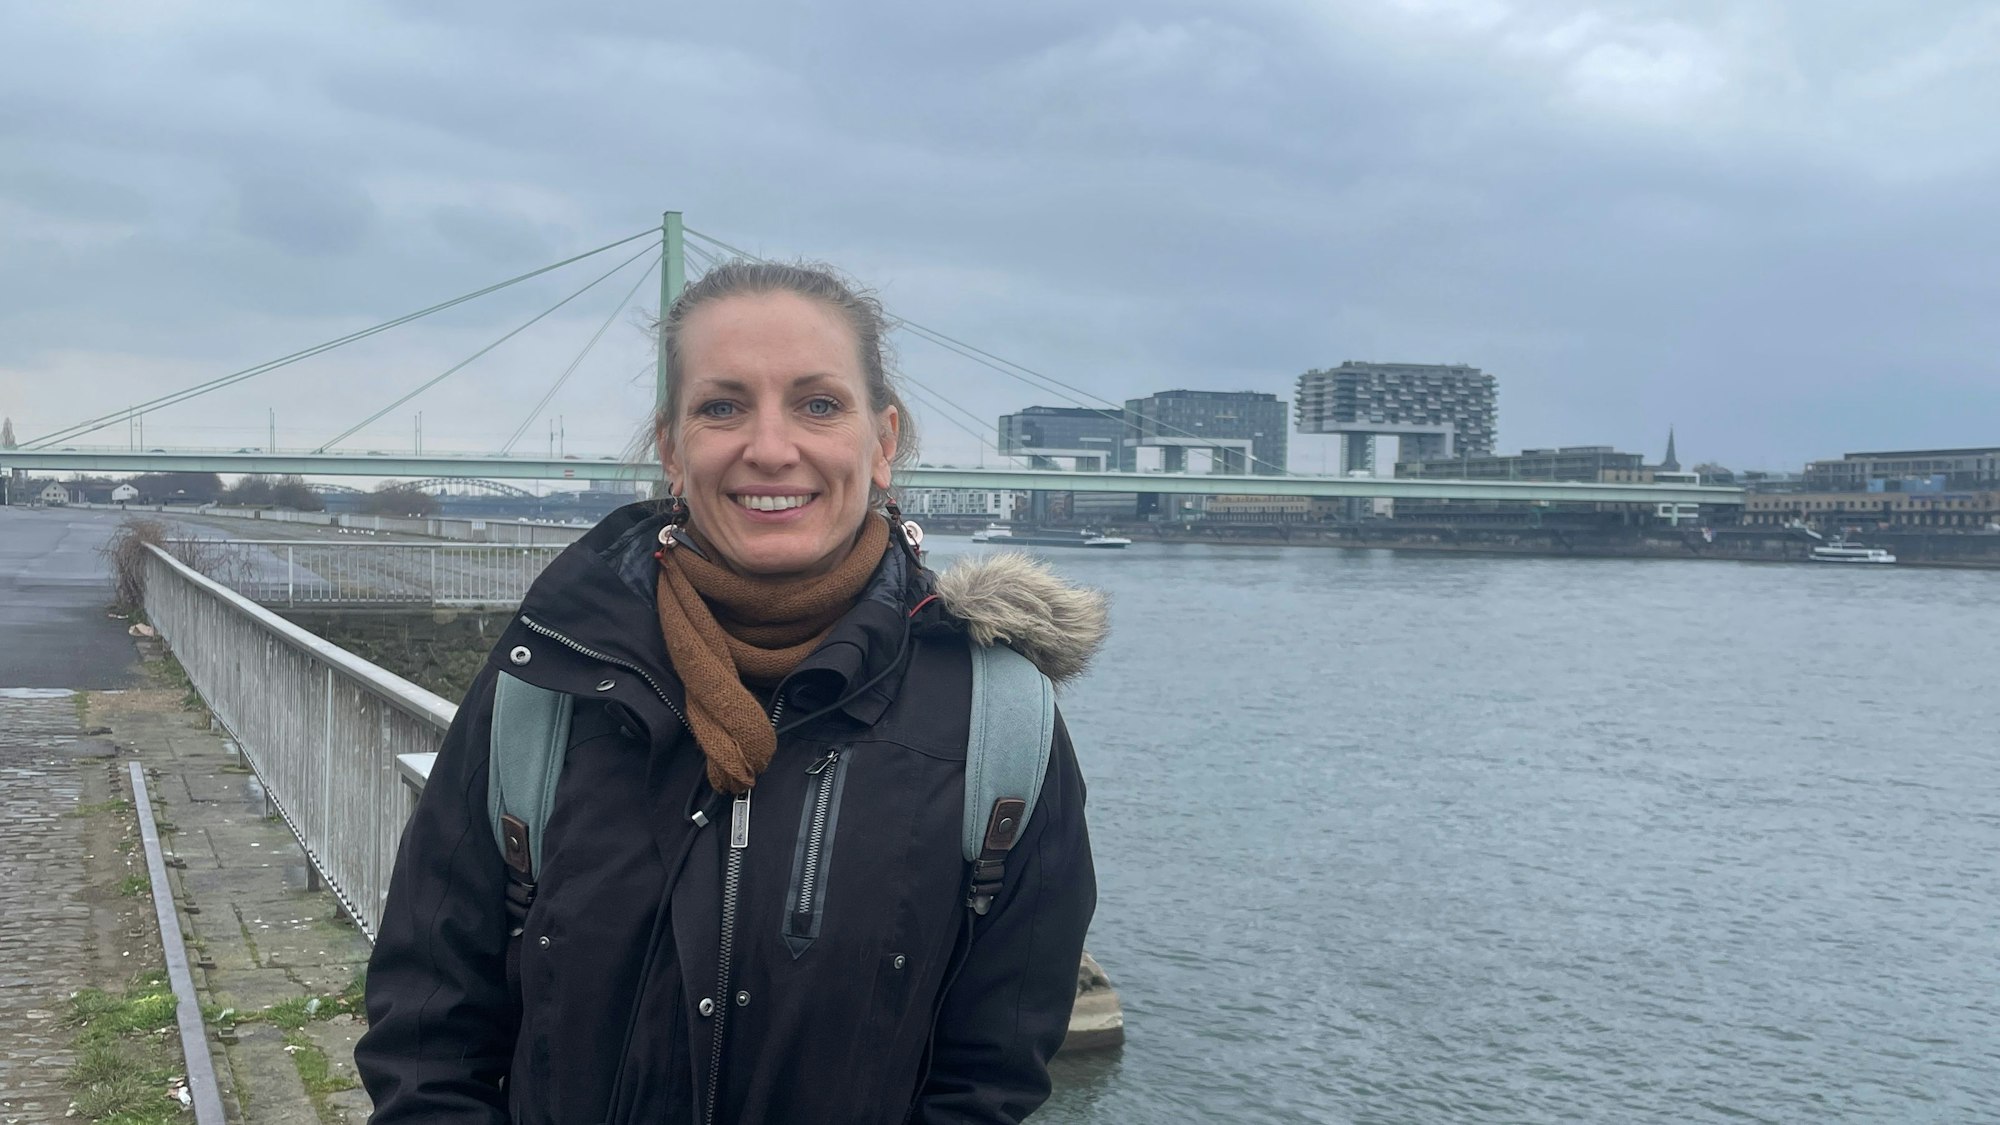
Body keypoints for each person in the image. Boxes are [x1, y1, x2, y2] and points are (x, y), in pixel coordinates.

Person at [355, 260, 1103, 1124]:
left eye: (819, 404)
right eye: (723, 406)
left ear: (883, 441)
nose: (772, 447)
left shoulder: (996, 722)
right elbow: (426, 1033)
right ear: (672, 447)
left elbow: (990, 1076)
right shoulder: (547, 681)